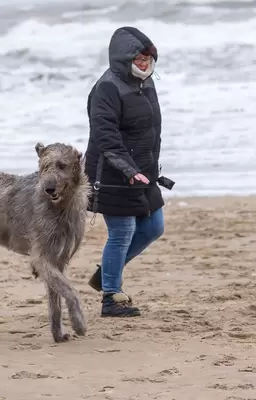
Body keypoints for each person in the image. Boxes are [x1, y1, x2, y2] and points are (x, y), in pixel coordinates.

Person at [83, 26, 165, 318]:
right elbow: (105, 137)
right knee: (122, 232)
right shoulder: (107, 88)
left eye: (148, 58)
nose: (144, 64)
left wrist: (148, 169)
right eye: (138, 59)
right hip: (112, 173)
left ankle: (106, 274)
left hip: (143, 173)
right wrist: (128, 170)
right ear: (122, 58)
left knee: (154, 227)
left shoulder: (146, 83)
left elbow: (149, 132)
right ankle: (110, 298)